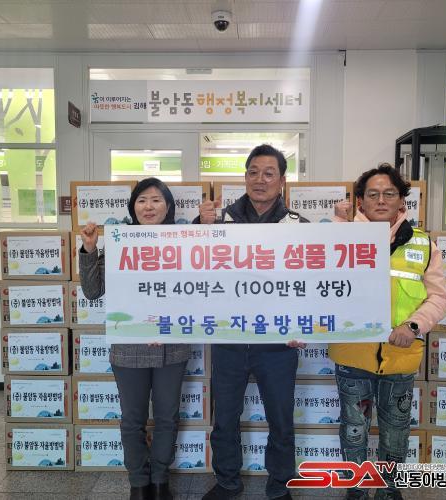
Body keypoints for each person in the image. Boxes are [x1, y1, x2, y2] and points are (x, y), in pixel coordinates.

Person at [195, 144, 308, 500]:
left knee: (281, 419)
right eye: (253, 172)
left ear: (282, 181)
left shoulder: (298, 226)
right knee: (224, 418)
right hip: (229, 339)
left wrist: (303, 325)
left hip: (278, 343)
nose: (260, 180)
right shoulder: (219, 221)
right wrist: (200, 227)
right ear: (244, 177)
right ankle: (228, 482)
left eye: (269, 173)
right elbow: (191, 269)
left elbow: (310, 284)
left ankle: (280, 484)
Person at [330, 164, 446, 500]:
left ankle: (388, 489)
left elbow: (439, 297)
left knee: (396, 430)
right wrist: (339, 226)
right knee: (353, 428)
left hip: (401, 355)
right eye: (372, 194)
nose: (380, 200)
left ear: (401, 200)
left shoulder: (424, 245)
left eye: (389, 193)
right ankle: (356, 489)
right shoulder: (339, 238)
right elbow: (318, 286)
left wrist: (414, 325)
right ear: (360, 201)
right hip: (352, 354)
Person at [79, 177, 190, 500]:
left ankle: (160, 480)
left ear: (168, 206)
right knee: (132, 420)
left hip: (172, 345)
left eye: (156, 200)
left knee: (167, 417)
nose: (149, 206)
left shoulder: (185, 242)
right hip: (129, 345)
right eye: (142, 200)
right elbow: (92, 291)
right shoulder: (119, 242)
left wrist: (164, 324)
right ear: (133, 207)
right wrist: (90, 249)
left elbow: (196, 292)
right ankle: (139, 483)